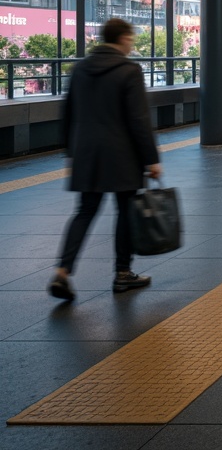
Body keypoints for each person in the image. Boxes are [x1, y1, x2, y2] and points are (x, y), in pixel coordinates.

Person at [49, 18, 162, 302]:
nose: (132, 44)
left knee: (85, 211)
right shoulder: (129, 70)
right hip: (122, 154)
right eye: (132, 39)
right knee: (125, 209)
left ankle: (63, 270)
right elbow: (139, 119)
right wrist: (152, 159)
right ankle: (123, 273)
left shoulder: (81, 68)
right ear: (123, 38)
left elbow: (68, 111)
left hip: (87, 152)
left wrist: (70, 151)